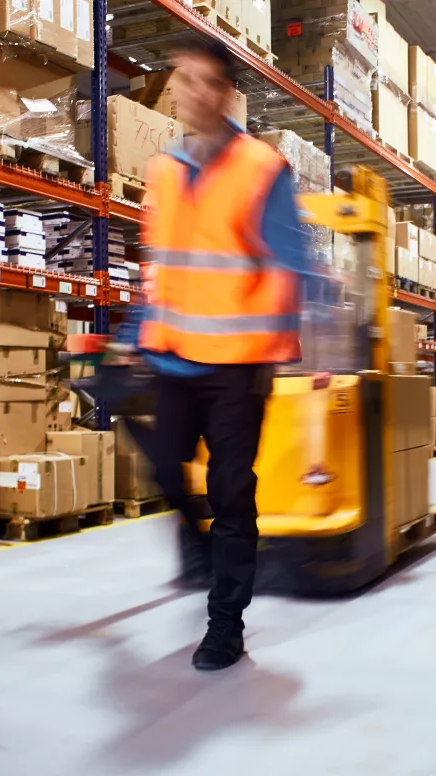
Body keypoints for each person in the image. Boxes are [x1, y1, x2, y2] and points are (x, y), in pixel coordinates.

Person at [139, 36, 308, 671]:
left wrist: (303, 337)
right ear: (175, 88)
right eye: (185, 80)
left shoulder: (261, 168)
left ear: (226, 94)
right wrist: (136, 337)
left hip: (240, 361)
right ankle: (208, 555)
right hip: (175, 356)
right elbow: (160, 264)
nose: (195, 93)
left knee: (231, 495)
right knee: (162, 470)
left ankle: (225, 625)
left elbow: (292, 259)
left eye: (209, 82)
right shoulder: (162, 171)